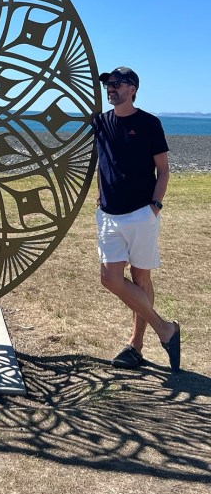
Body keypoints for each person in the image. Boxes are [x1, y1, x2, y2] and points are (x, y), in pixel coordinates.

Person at [92, 66, 180, 372]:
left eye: (117, 83)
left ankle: (136, 345)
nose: (111, 88)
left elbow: (163, 169)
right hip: (108, 214)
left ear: (132, 89)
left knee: (141, 279)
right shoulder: (100, 122)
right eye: (108, 84)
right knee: (110, 279)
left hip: (142, 213)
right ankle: (166, 329)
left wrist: (154, 206)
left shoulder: (149, 123)